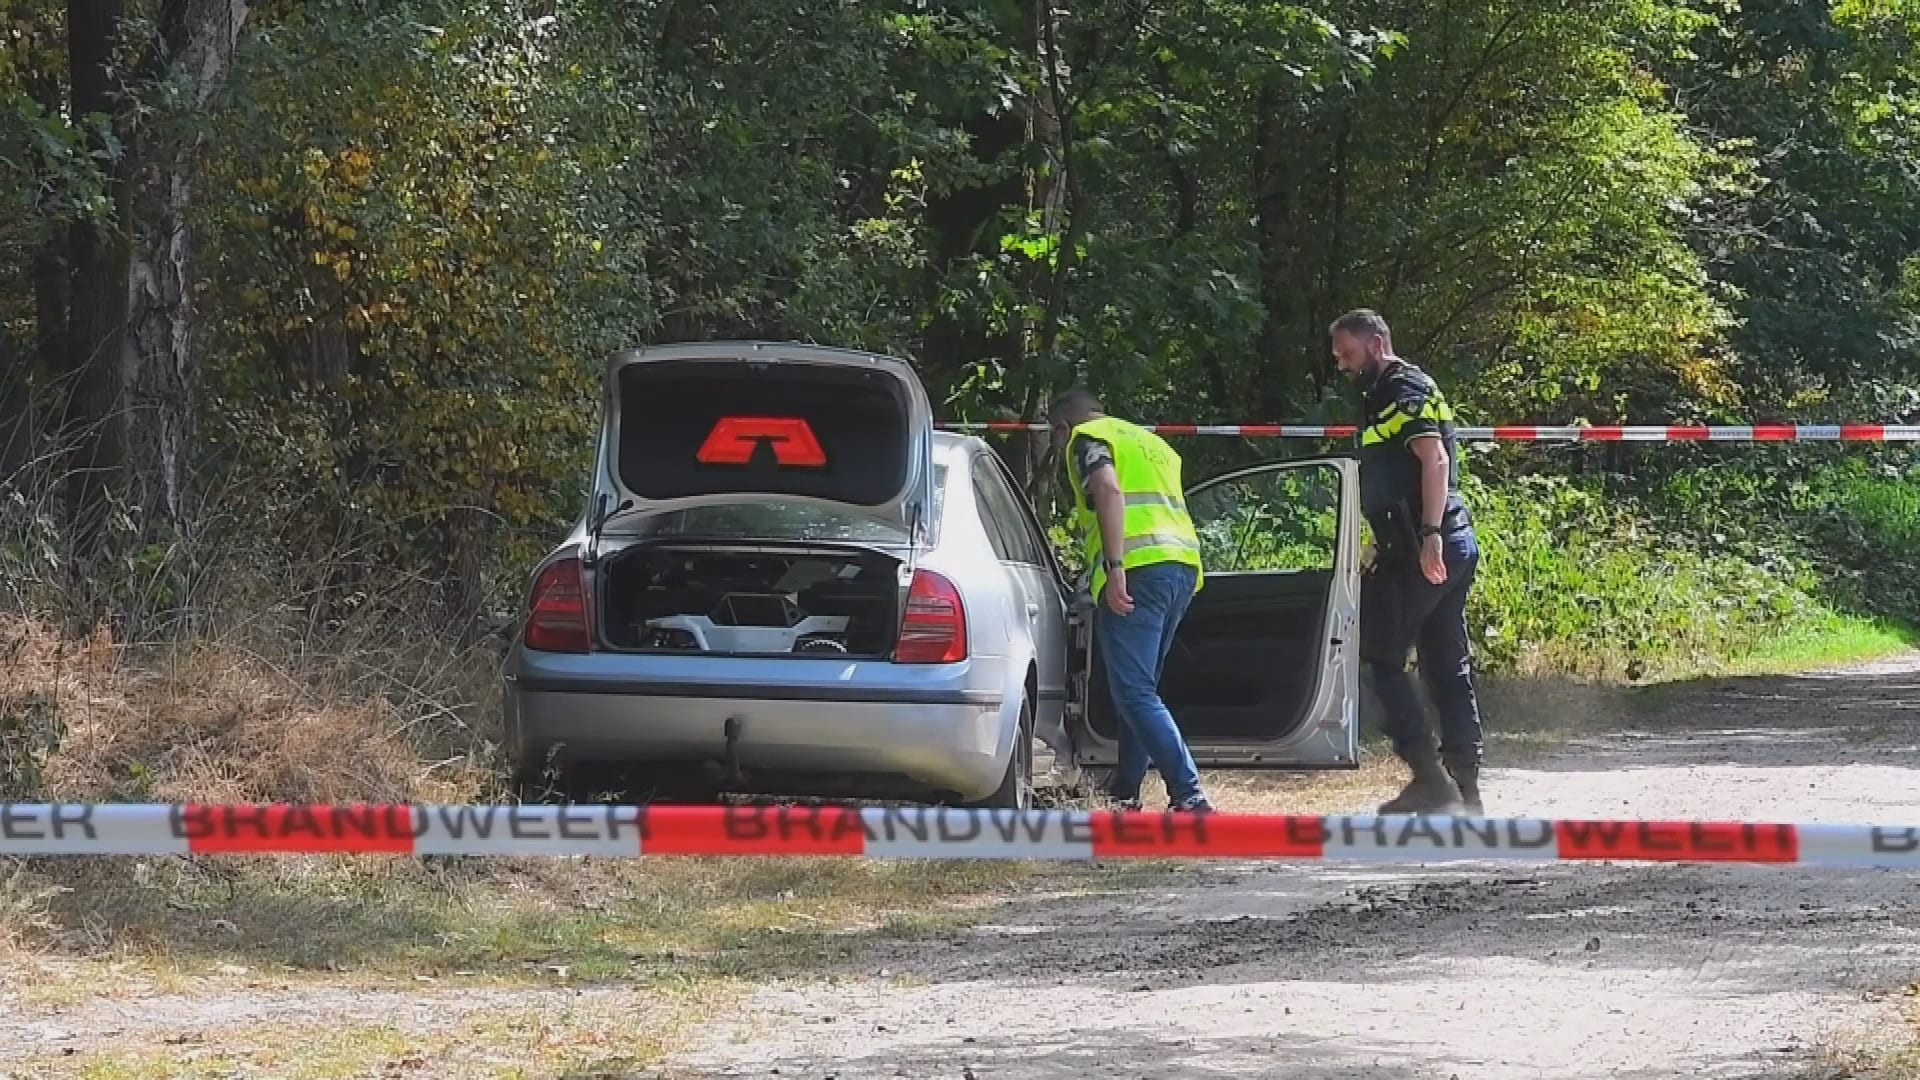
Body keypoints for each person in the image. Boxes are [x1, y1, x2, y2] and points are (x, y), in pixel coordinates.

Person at [1329, 309, 1486, 816]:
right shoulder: (1385, 394)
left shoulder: (1403, 386)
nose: (1342, 365)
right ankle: (1465, 787)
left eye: (1348, 354)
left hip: (1429, 545)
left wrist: (1429, 536)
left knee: (1381, 660)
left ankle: (1430, 781)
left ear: (1376, 343)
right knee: (1445, 664)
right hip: (1435, 542)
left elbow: (1434, 459)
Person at [1050, 388, 1214, 813]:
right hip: (1181, 566)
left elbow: (1106, 488)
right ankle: (1125, 791)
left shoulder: (1086, 438)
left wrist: (1115, 565)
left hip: (1137, 568)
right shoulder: (1153, 444)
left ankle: (1189, 795)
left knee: (1135, 692)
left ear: (1063, 427)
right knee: (1138, 691)